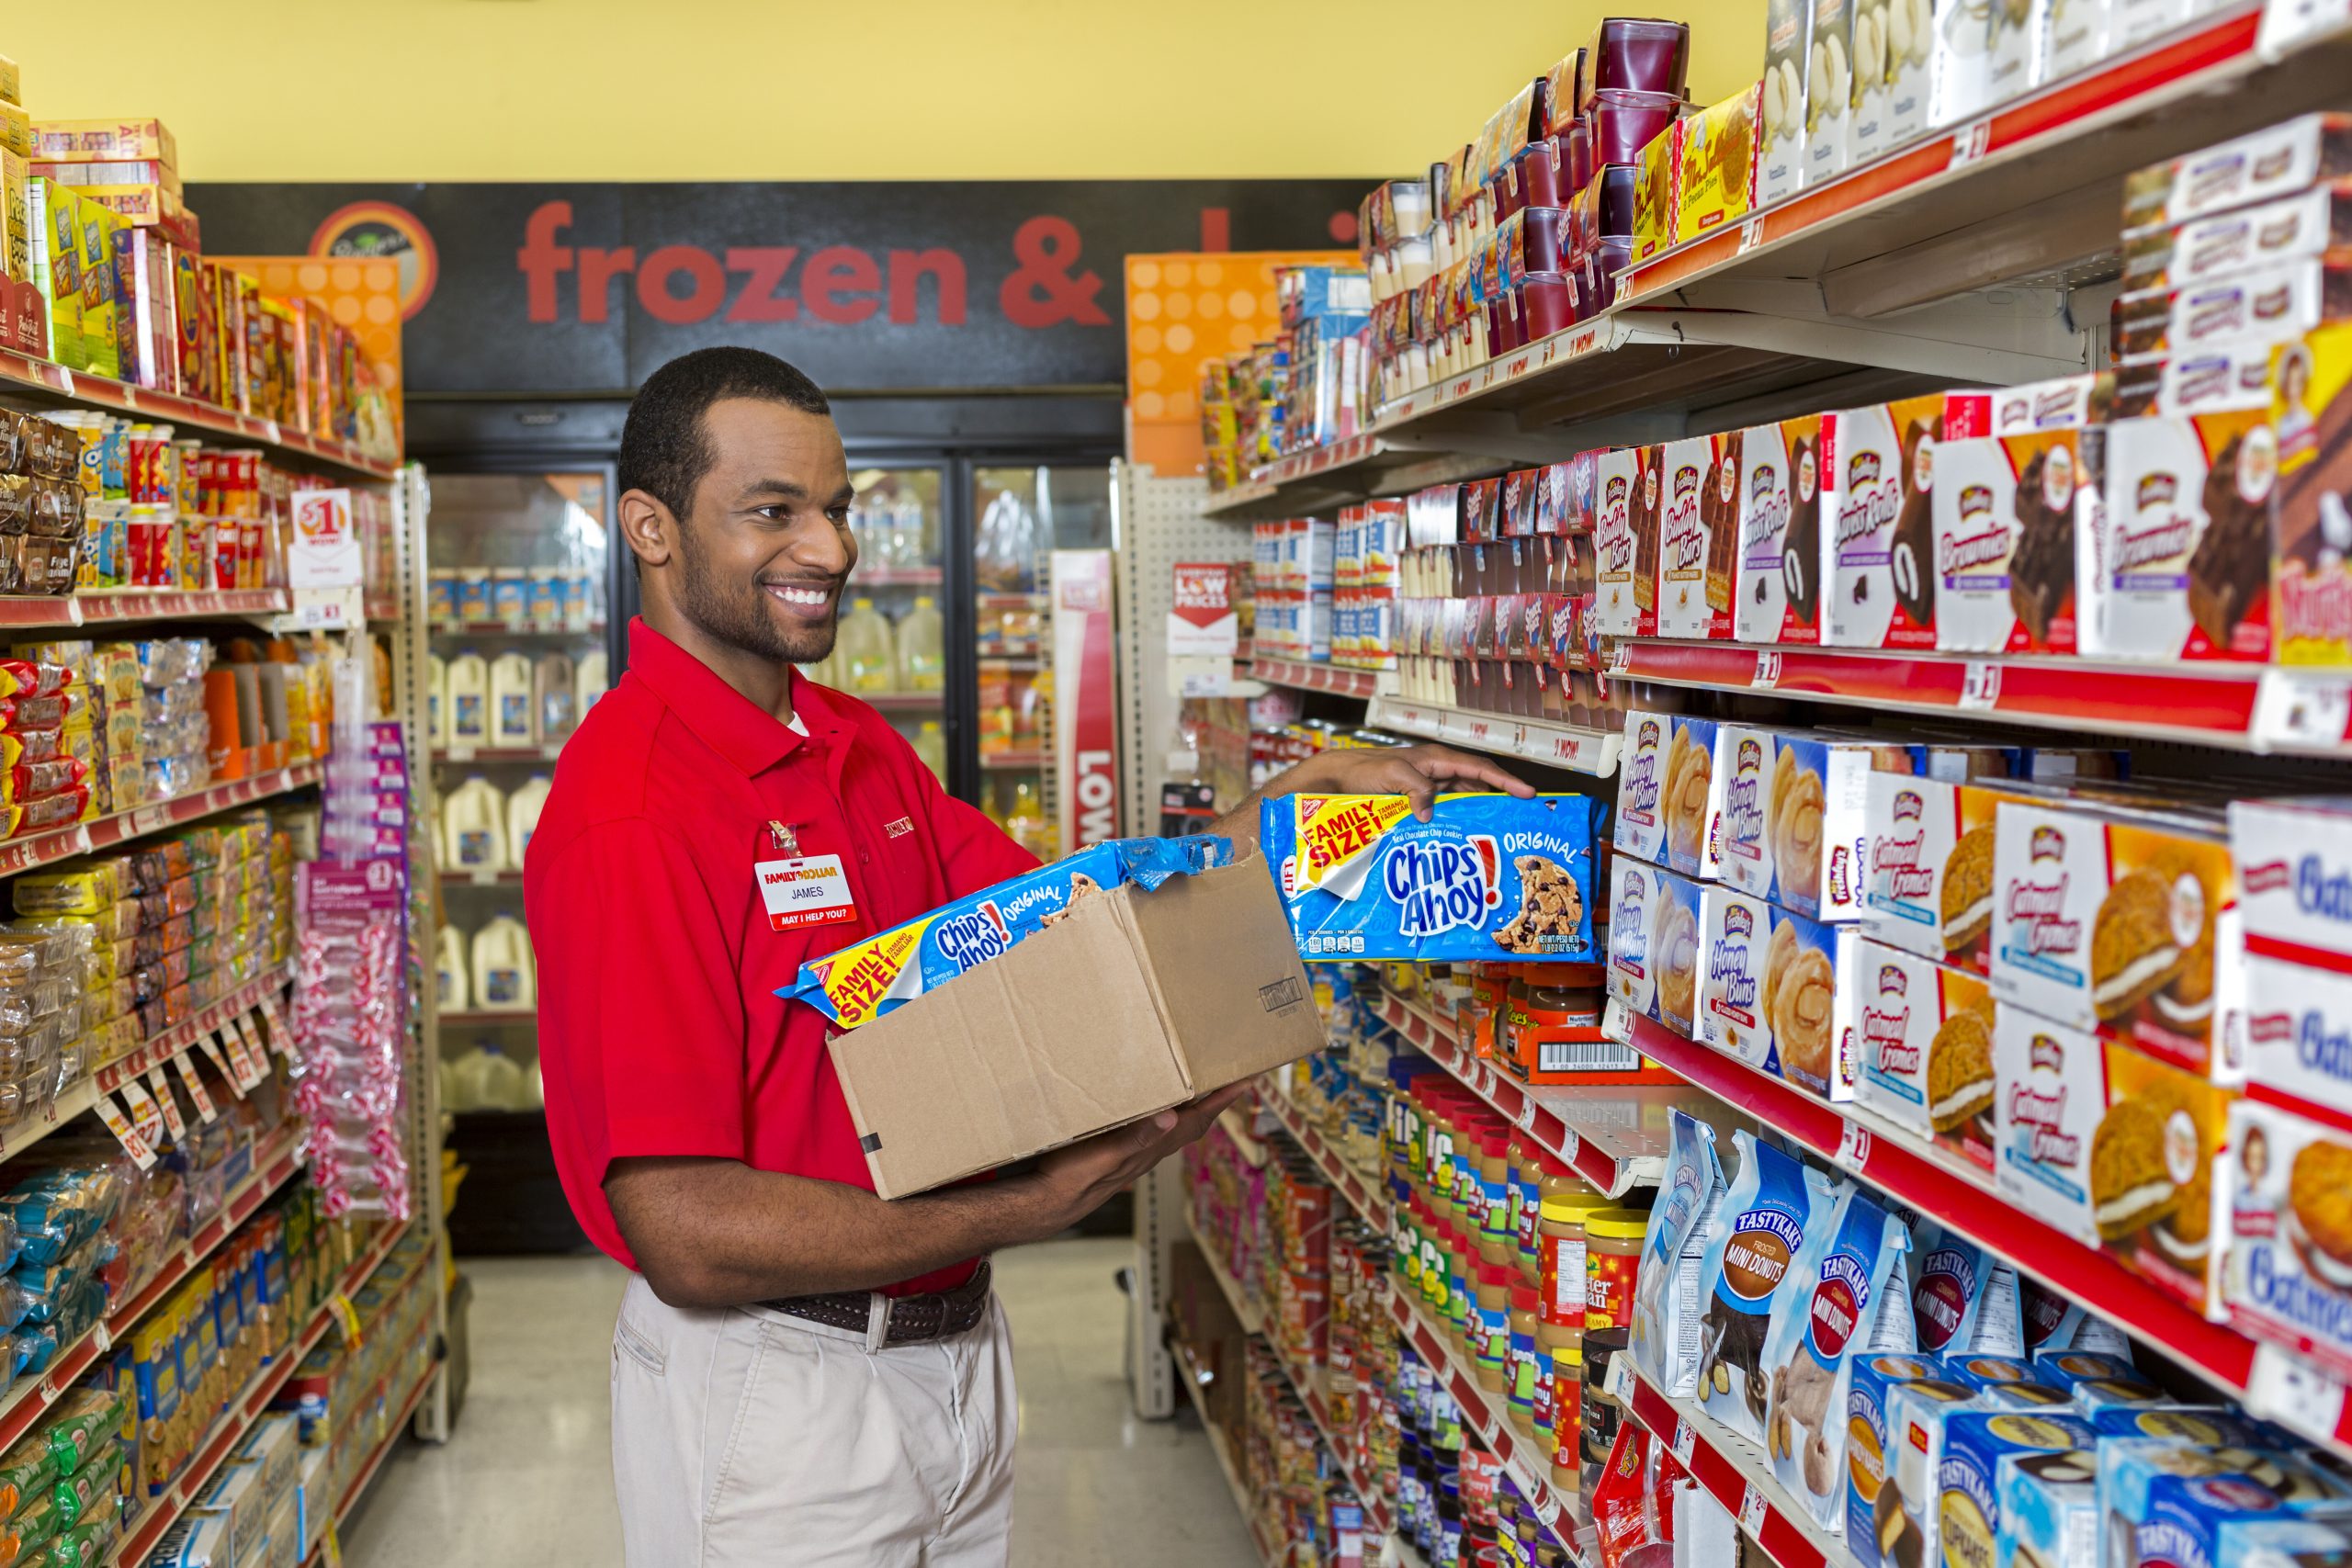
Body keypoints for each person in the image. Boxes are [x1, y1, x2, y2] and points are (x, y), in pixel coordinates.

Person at [522, 346, 1531, 1567]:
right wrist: (1034, 1202)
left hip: (948, 1360)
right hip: (773, 1398)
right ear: (652, 529)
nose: (831, 550)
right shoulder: (632, 809)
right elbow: (682, 1229)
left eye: (837, 508)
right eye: (771, 512)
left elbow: (1066, 919)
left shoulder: (849, 744)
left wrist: (1298, 803)